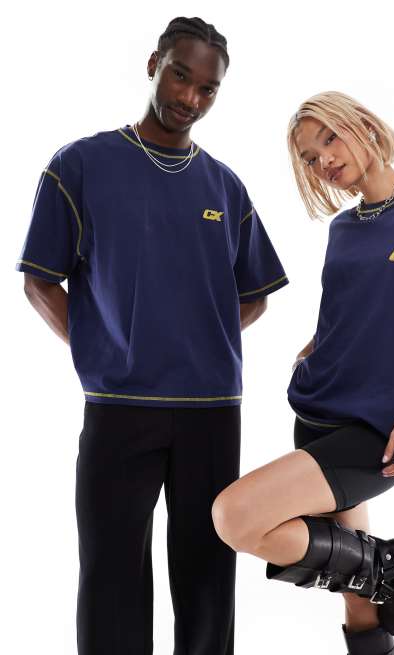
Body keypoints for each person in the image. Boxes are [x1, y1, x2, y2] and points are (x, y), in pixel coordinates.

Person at [15, 17, 288, 655]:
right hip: (119, 407)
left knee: (208, 576)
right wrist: (101, 349)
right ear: (153, 66)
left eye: (207, 88)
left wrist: (200, 337)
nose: (190, 97)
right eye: (180, 76)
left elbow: (254, 294)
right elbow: (40, 281)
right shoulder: (80, 166)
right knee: (110, 573)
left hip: (210, 411)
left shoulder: (225, 186)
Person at [211, 91, 394, 655]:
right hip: (319, 409)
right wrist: (313, 349)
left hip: (382, 425)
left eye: (330, 138)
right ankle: (381, 567)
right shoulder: (343, 228)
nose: (324, 159)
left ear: (363, 125)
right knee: (358, 601)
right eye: (310, 156)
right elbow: (352, 311)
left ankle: (388, 562)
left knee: (235, 518)